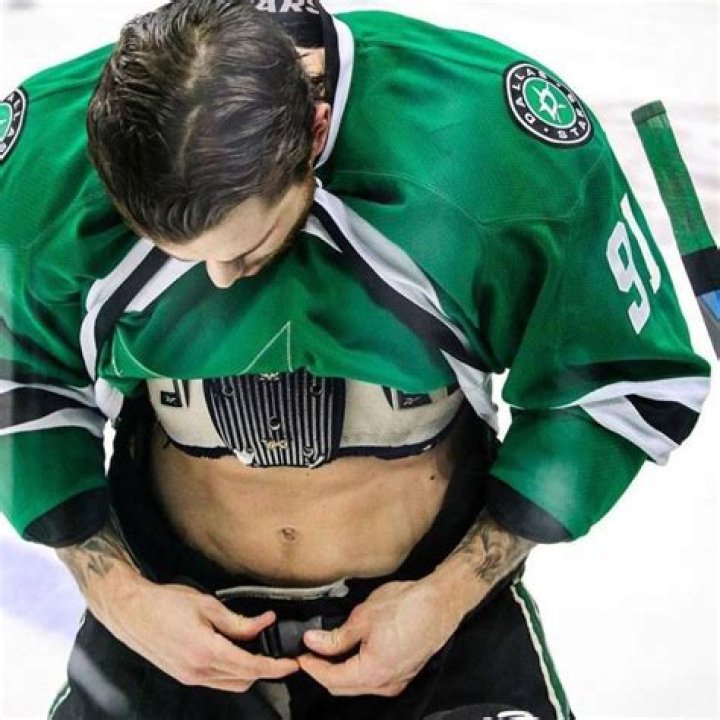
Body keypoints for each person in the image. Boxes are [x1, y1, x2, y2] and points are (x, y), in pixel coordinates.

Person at [0, 1, 711, 718]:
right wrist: (120, 597)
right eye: (178, 253)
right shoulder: (41, 168)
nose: (220, 277)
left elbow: (613, 381)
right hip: (164, 622)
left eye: (244, 245)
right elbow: (20, 381)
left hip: (433, 633)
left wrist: (448, 596)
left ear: (314, 134)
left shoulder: (490, 146)